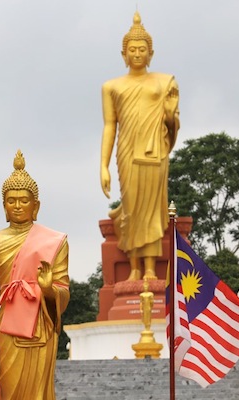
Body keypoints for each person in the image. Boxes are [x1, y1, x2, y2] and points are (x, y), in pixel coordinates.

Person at [0, 150, 70, 400]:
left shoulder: (54, 242)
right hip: (9, 329)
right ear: (4, 206)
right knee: (11, 390)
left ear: (36, 206)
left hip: (42, 327)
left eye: (24, 200)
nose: (17, 206)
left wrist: (48, 288)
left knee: (39, 393)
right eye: (11, 200)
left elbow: (63, 292)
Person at [100, 11, 180, 281]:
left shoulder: (164, 81)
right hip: (127, 152)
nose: (137, 53)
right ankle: (134, 267)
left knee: (154, 209)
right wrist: (103, 165)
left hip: (155, 151)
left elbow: (172, 120)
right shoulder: (112, 87)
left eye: (142, 49)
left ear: (151, 53)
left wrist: (170, 116)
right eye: (132, 49)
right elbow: (110, 125)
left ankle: (149, 268)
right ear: (123, 54)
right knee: (132, 208)